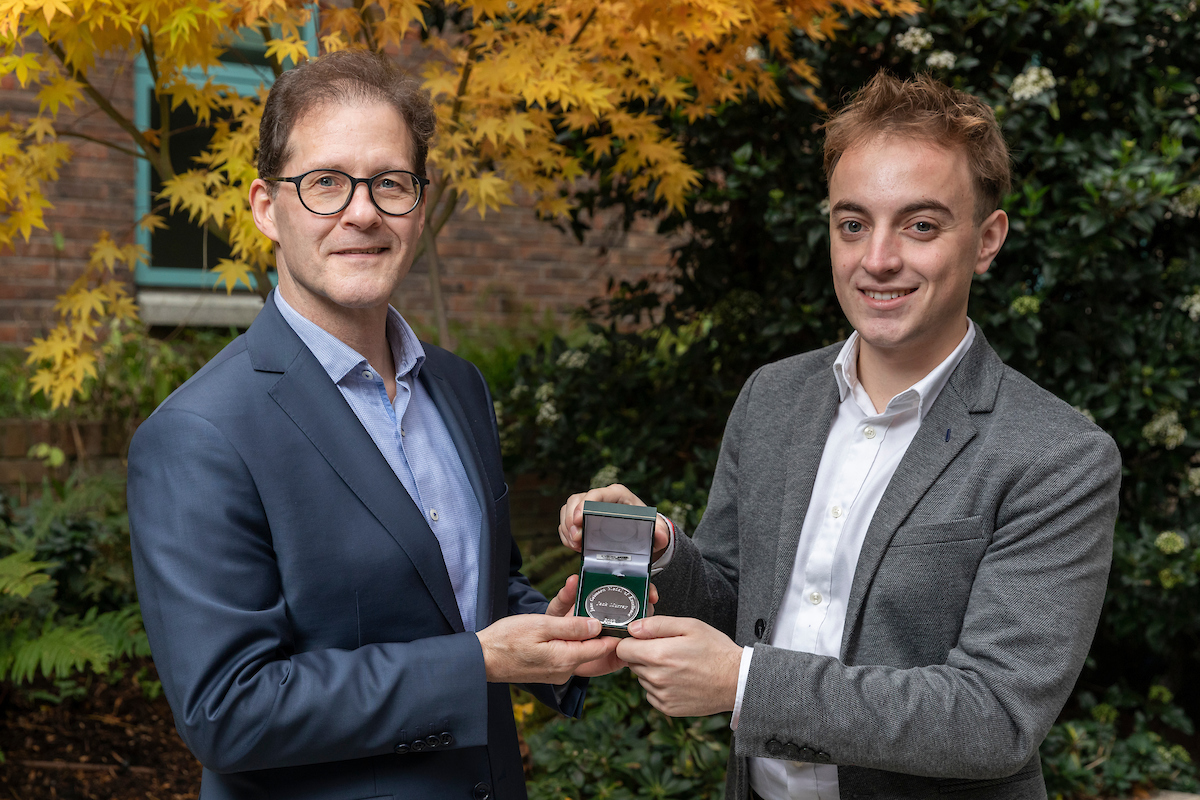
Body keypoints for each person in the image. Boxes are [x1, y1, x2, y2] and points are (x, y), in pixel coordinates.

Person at [558, 71, 1121, 800]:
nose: (877, 259)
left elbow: (994, 717)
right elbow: (731, 605)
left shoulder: (1057, 456)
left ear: (987, 240)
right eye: (853, 223)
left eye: (920, 225)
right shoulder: (772, 398)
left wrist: (744, 683)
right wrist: (663, 554)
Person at [127, 49, 619, 800]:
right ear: (267, 207)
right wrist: (478, 663)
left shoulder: (457, 385)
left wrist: (563, 632)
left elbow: (475, 595)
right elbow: (228, 712)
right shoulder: (199, 434)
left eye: (389, 183)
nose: (363, 211)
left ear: (419, 205)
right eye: (326, 183)